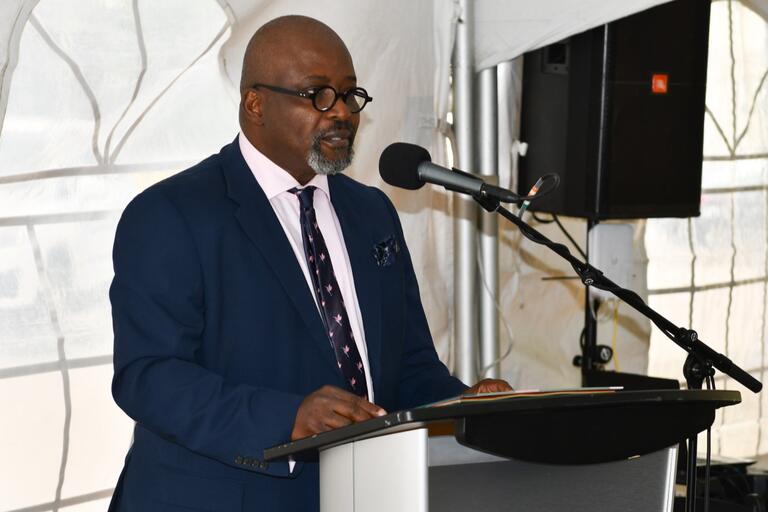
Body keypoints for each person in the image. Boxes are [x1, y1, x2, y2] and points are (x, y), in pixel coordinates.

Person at [108, 15, 511, 512]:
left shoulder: (371, 212)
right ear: (255, 104)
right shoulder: (171, 214)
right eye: (317, 95)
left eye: (349, 94)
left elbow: (406, 368)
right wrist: (289, 417)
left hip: (359, 494)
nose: (341, 112)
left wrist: (463, 404)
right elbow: (149, 377)